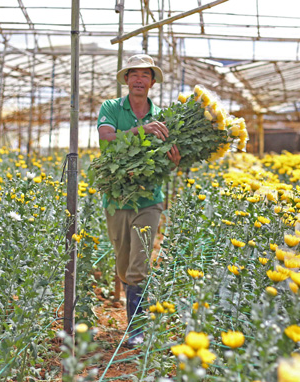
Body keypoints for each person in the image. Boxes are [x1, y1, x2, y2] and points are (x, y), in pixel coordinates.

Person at [97, 54, 180, 347]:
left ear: (152, 82)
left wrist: (175, 161)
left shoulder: (165, 117)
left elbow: (165, 161)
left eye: (145, 75)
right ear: (127, 80)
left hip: (148, 199)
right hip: (117, 197)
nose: (139, 80)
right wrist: (139, 131)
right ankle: (132, 311)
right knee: (122, 262)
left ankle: (136, 329)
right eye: (134, 74)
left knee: (139, 264)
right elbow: (106, 138)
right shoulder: (110, 108)